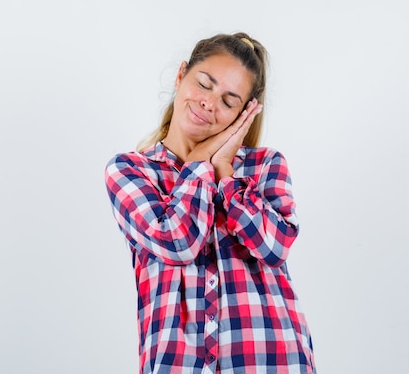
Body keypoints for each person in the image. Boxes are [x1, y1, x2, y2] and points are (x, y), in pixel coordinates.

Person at [104, 32, 316, 374]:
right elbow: (177, 242)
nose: (209, 103)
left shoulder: (264, 166)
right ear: (181, 75)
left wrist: (227, 176)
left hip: (271, 361)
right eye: (204, 84)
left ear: (242, 114)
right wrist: (201, 162)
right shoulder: (131, 170)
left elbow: (275, 247)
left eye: (228, 101)